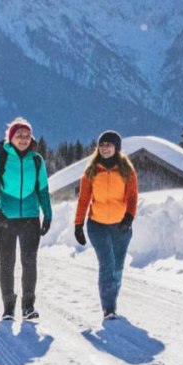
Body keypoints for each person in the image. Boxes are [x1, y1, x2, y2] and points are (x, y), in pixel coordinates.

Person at [0, 117, 52, 321]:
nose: (23, 139)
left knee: (29, 261)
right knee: (7, 262)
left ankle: (28, 306)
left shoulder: (37, 160)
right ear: (10, 137)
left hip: (30, 217)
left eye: (27, 135)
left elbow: (43, 190)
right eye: (19, 135)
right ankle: (8, 307)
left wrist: (47, 214)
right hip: (4, 219)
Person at [73, 130, 138, 320]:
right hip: (97, 224)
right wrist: (78, 224)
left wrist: (129, 217)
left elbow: (132, 197)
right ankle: (108, 308)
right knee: (107, 263)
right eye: (102, 145)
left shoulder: (127, 170)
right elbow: (84, 199)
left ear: (117, 148)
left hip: (121, 226)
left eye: (109, 145)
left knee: (117, 266)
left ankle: (111, 300)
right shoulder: (91, 170)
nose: (105, 148)